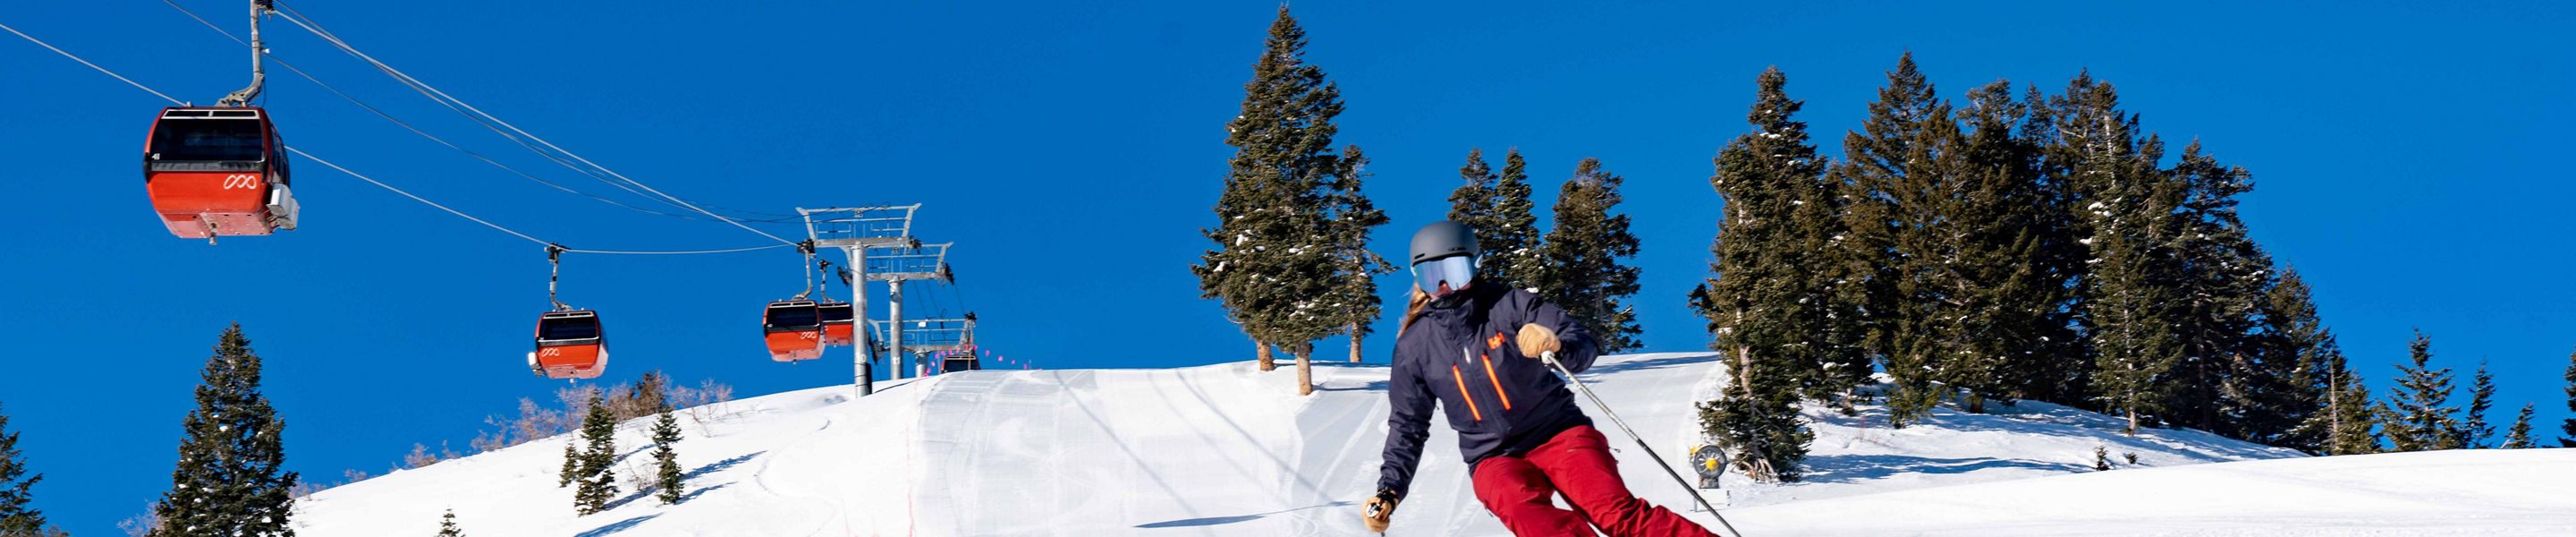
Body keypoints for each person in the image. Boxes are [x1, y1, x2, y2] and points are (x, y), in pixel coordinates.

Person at [1363, 220, 1714, 537]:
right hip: (1492, 457)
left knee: (1616, 514)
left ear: (1476, 265)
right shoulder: (1415, 346)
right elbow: (1407, 425)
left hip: (1559, 433)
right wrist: (1389, 491)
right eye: (1431, 277)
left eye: (1454, 272)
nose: (1444, 286)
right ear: (1417, 278)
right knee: (1532, 519)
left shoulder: (1511, 306)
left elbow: (1583, 341)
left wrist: (1557, 345)